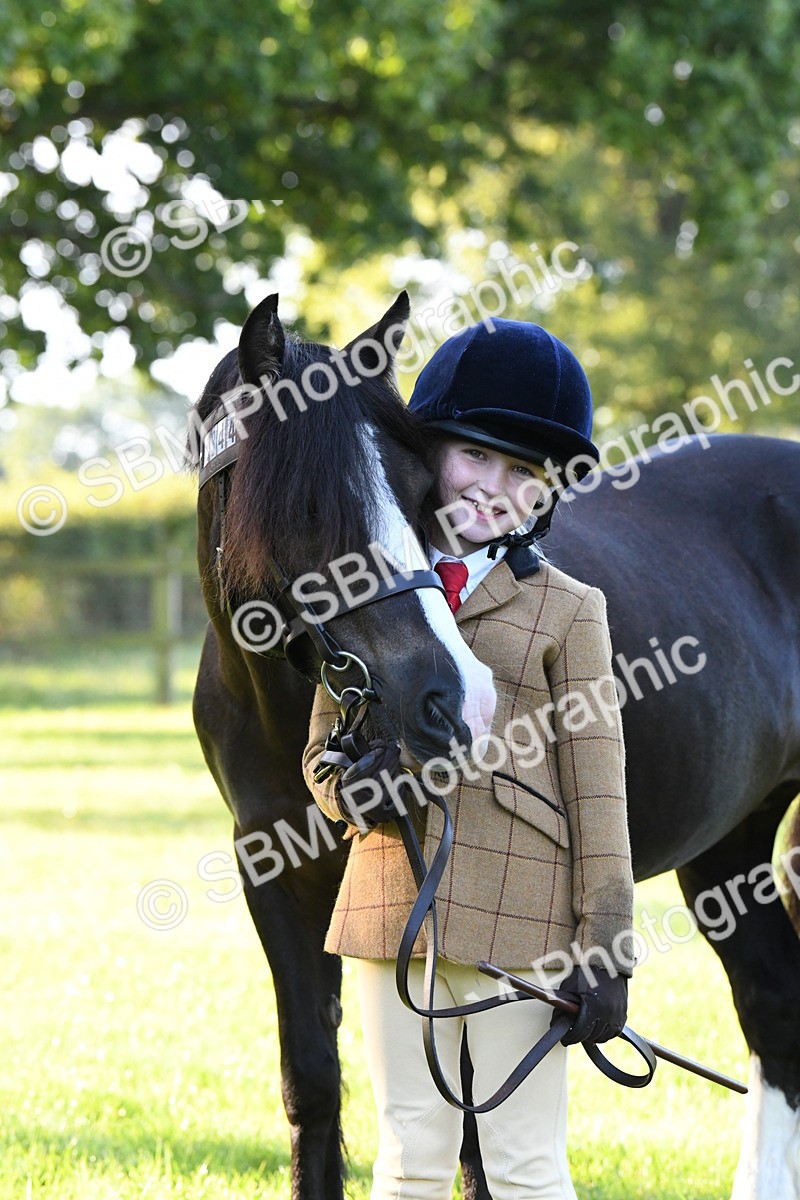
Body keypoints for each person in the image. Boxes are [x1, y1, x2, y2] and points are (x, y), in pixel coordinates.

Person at [302, 318, 635, 1200]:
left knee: (526, 1163)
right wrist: (350, 788)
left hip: (527, 924)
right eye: (477, 457)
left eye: (524, 474)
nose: (495, 488)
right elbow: (321, 755)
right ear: (430, 454)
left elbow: (598, 791)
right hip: (392, 901)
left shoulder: (570, 609)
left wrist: (606, 949)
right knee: (409, 1153)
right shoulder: (364, 586)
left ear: (545, 497)